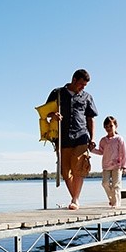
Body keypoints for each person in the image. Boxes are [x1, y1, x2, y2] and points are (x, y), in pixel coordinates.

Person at [46, 69, 98, 209]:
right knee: (65, 171)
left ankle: (75, 199)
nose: (83, 87)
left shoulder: (87, 97)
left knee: (79, 168)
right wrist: (53, 115)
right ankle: (75, 198)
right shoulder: (57, 93)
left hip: (81, 136)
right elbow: (45, 112)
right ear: (74, 80)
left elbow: (90, 118)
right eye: (81, 84)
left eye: (85, 86)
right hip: (62, 137)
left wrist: (92, 138)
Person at [91, 115, 126, 207]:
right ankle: (112, 199)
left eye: (111, 126)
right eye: (106, 127)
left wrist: (124, 165)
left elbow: (124, 153)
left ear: (115, 126)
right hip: (106, 165)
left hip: (117, 166)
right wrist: (92, 149)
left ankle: (116, 204)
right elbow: (101, 152)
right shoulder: (103, 140)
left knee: (116, 185)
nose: (109, 128)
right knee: (105, 183)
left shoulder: (119, 139)